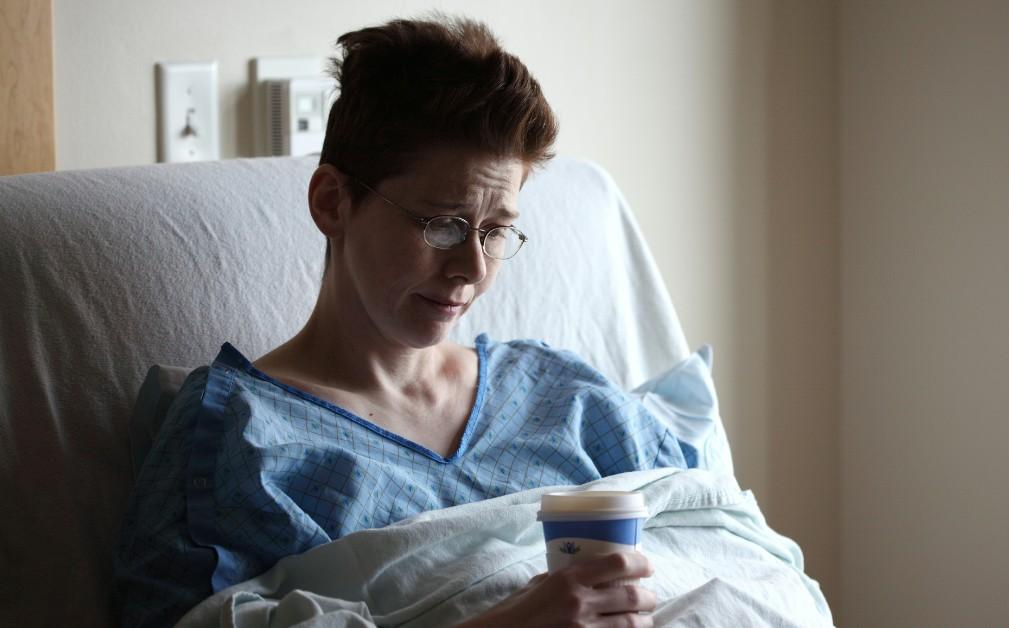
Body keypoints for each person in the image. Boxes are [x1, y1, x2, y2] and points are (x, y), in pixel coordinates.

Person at [113, 14, 698, 628]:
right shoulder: (239, 439)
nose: (471, 267)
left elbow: (724, 541)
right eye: (441, 225)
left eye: (496, 230)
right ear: (332, 203)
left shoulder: (566, 398)